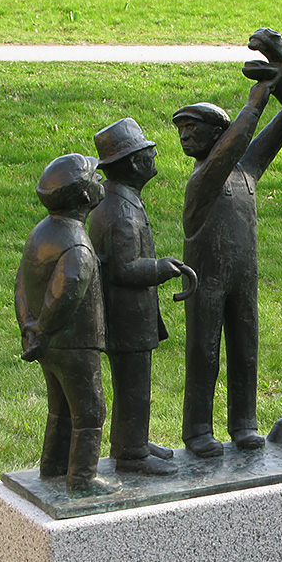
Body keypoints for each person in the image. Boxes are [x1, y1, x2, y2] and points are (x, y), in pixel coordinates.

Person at [174, 72, 282, 458]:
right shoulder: (203, 178)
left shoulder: (245, 172)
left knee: (246, 350)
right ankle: (197, 430)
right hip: (205, 279)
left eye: (192, 128)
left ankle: (244, 423)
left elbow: (269, 138)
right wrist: (255, 103)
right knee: (204, 352)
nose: (184, 136)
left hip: (243, 278)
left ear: (217, 132)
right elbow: (233, 147)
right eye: (181, 129)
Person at [88, 117, 189, 475]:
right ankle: (131, 452)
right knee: (133, 383)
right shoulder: (119, 211)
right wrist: (160, 268)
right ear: (133, 163)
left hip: (131, 314)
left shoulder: (122, 202)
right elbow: (123, 269)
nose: (153, 156)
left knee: (135, 382)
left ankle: (134, 441)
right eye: (148, 153)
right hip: (126, 316)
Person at [15, 153, 114, 495]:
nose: (102, 183)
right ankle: (82, 480)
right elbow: (65, 294)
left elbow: (22, 283)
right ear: (85, 197)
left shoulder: (41, 234)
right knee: (90, 410)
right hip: (73, 343)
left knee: (59, 408)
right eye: (96, 180)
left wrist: (28, 327)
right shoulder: (78, 247)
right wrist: (42, 328)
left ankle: (54, 467)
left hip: (46, 343)